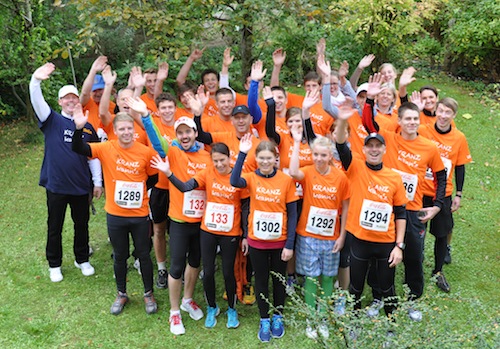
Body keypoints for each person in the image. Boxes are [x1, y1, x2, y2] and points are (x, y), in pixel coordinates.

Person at [363, 73, 447, 322]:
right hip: (385, 209)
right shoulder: (389, 138)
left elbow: (441, 177)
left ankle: (413, 300)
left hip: (413, 210)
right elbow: (368, 123)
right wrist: (370, 98)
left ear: (419, 120)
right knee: (381, 257)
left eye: (415, 118)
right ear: (398, 121)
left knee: (413, 257)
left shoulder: (429, 147)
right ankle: (379, 298)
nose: (411, 122)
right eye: (407, 118)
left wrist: (437, 206)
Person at [72, 102, 158, 315]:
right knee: (120, 256)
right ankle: (121, 293)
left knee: (144, 255)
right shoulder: (106, 147)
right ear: (116, 131)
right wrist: (78, 129)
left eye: (129, 128)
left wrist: (137, 192)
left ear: (134, 131)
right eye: (122, 129)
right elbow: (79, 148)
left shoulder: (145, 152)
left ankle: (148, 293)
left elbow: (153, 177)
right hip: (116, 215)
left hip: (139, 215)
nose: (126, 132)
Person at [151, 142, 248, 329]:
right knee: (209, 271)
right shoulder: (207, 173)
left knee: (228, 272)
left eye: (222, 160)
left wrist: (245, 233)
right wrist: (168, 172)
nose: (219, 164)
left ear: (230, 158)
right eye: (215, 161)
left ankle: (231, 309)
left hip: (231, 232)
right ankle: (212, 307)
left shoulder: (238, 177)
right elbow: (186, 187)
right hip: (208, 230)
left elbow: (245, 207)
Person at [141, 101, 212, 335]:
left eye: (188, 132)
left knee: (195, 263)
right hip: (180, 221)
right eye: (179, 132)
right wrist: (145, 116)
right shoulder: (172, 151)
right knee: (177, 267)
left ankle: (187, 299)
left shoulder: (206, 156)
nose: (183, 136)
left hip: (201, 222)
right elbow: (155, 139)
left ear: (195, 134)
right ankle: (174, 312)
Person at [29, 63, 102, 283]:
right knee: (55, 226)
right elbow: (37, 101)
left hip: (81, 185)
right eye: (66, 98)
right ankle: (55, 264)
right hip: (57, 185)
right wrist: (35, 80)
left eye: (74, 98)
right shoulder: (51, 120)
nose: (71, 101)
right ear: (60, 102)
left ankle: (82, 259)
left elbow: (94, 156)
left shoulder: (87, 126)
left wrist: (97, 182)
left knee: (82, 224)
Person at [334, 101, 408, 318]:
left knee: (387, 288)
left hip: (385, 242)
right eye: (370, 146)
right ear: (364, 149)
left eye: (378, 146)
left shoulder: (394, 177)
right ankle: (354, 323)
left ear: (384, 149)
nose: (374, 150)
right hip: (360, 239)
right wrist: (342, 119)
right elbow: (340, 144)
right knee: (356, 288)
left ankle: (390, 327)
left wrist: (399, 246)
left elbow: (401, 213)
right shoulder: (355, 166)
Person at [230, 135, 299, 343]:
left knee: (278, 280)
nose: (265, 162)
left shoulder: (286, 180)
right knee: (261, 280)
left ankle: (278, 315)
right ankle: (264, 319)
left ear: (276, 159)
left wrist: (289, 244)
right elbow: (234, 181)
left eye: (269, 158)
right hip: (257, 241)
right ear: (257, 159)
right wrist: (242, 153)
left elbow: (293, 214)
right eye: (261, 158)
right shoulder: (251, 178)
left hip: (279, 242)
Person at [288, 131, 351, 340]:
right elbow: (293, 170)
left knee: (327, 276)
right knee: (311, 277)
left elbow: (345, 207)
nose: (319, 159)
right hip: (307, 235)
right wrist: (297, 142)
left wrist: (342, 236)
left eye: (323, 155)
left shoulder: (341, 177)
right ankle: (310, 317)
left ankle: (323, 316)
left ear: (331, 156)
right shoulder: (307, 172)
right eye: (315, 154)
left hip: (330, 237)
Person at [419, 97, 472, 292]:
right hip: (421, 191)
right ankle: (415, 266)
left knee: (442, 233)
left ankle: (438, 271)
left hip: (443, 193)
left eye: (447, 112)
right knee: (417, 231)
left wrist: (458, 194)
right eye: (440, 111)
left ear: (453, 115)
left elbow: (459, 167)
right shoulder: (423, 131)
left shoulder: (459, 138)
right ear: (436, 111)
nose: (442, 116)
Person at [148, 92, 178, 289]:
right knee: (158, 229)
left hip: (179, 187)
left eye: (170, 107)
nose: (167, 111)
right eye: (163, 108)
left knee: (177, 231)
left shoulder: (183, 126)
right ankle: (161, 267)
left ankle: (179, 267)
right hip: (159, 187)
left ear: (175, 108)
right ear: (157, 111)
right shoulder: (152, 127)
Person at [79, 56, 116, 141]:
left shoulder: (112, 106)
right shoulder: (87, 102)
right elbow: (84, 93)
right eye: (94, 90)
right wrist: (93, 70)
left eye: (100, 89)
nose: (98, 93)